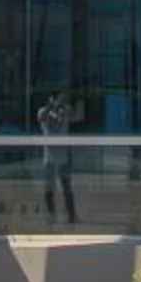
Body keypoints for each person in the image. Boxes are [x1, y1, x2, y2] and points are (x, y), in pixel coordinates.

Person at [36, 91, 80, 225]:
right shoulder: (43, 111)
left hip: (63, 156)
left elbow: (74, 114)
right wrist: (50, 107)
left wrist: (60, 108)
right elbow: (41, 117)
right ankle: (50, 214)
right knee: (49, 186)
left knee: (66, 185)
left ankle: (71, 214)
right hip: (49, 156)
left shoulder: (64, 110)